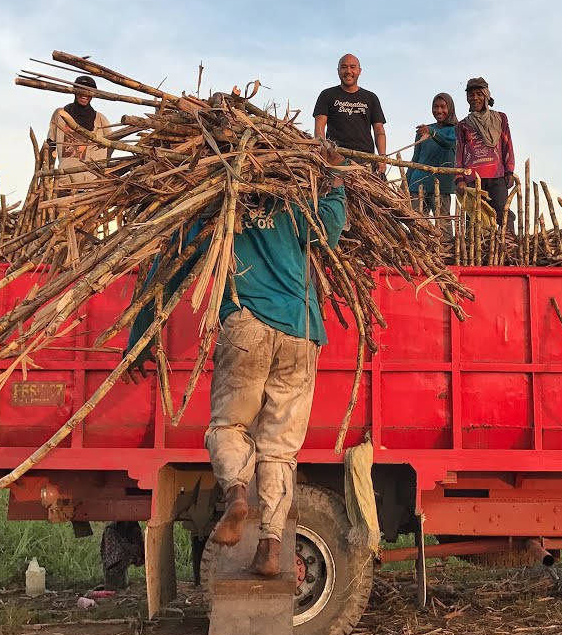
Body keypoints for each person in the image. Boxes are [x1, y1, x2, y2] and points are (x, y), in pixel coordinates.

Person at [127, 147, 348, 578]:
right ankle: (270, 546)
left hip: (246, 324)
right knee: (280, 447)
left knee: (228, 425)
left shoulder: (217, 207)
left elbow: (169, 270)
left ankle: (236, 494)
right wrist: (336, 182)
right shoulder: (291, 206)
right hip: (301, 329)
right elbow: (330, 229)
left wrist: (140, 336)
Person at [455, 77, 517, 229]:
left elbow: (507, 145)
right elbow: (459, 153)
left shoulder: (500, 118)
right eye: (471, 95)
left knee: (503, 213)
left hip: (497, 175)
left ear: (486, 96)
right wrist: (459, 179)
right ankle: (475, 244)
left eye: (479, 94)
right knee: (474, 218)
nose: (475, 98)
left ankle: (509, 242)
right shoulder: (463, 125)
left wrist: (509, 171)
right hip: (472, 179)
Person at [313, 54, 387, 175]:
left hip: (365, 159)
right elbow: (319, 128)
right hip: (337, 157)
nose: (348, 71)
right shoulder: (327, 95)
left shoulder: (371, 98)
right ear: (338, 71)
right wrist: (324, 151)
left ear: (359, 71)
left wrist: (382, 157)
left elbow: (379, 130)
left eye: (352, 67)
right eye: (344, 67)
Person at [47, 76, 111, 189]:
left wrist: (102, 169)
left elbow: (111, 145)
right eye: (80, 89)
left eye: (89, 91)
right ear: (74, 91)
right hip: (64, 181)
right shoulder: (60, 114)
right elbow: (50, 144)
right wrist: (48, 174)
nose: (84, 95)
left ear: (93, 94)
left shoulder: (100, 120)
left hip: (92, 183)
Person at [406, 93, 458, 215]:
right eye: (435, 106)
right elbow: (415, 158)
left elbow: (449, 143)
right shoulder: (424, 130)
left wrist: (433, 133)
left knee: (443, 223)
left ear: (450, 108)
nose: (439, 111)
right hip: (417, 185)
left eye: (443, 107)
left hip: (442, 186)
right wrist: (406, 182)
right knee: (416, 223)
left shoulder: (456, 129)